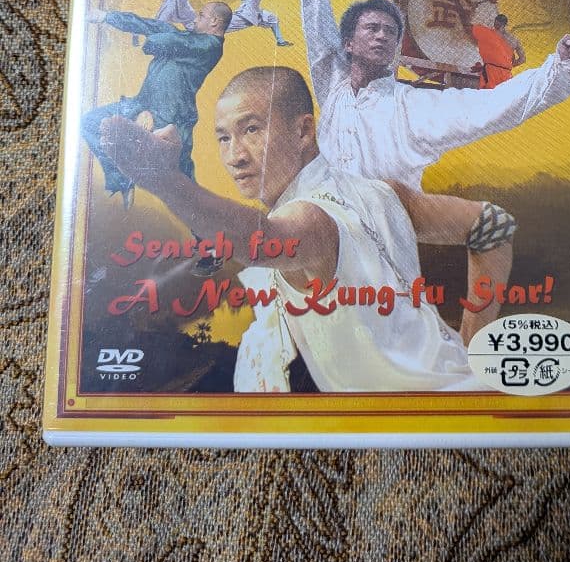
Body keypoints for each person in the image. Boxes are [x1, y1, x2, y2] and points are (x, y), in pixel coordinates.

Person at [96, 67, 514, 392]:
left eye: (251, 129)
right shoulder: (383, 192)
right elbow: (493, 225)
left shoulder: (313, 218)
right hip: (454, 396)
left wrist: (162, 179)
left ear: (303, 131)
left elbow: (263, 241)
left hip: (416, 430)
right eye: (223, 138)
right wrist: (471, 352)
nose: (235, 156)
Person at [291, 0, 570, 190]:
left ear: (397, 47)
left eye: (391, 31)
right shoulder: (334, 87)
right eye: (372, 28)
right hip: (322, 225)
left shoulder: (413, 108)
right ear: (348, 43)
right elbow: (318, 29)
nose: (382, 36)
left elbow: (495, 106)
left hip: (382, 234)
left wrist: (560, 69)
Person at [81, 0, 232, 207]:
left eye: (201, 14)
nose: (195, 19)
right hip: (141, 106)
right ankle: (122, 179)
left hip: (171, 120)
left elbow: (159, 43)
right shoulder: (184, 36)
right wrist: (106, 17)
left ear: (214, 21)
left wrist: (154, 38)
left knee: (184, 184)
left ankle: (204, 223)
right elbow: (145, 25)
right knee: (89, 122)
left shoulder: (210, 46)